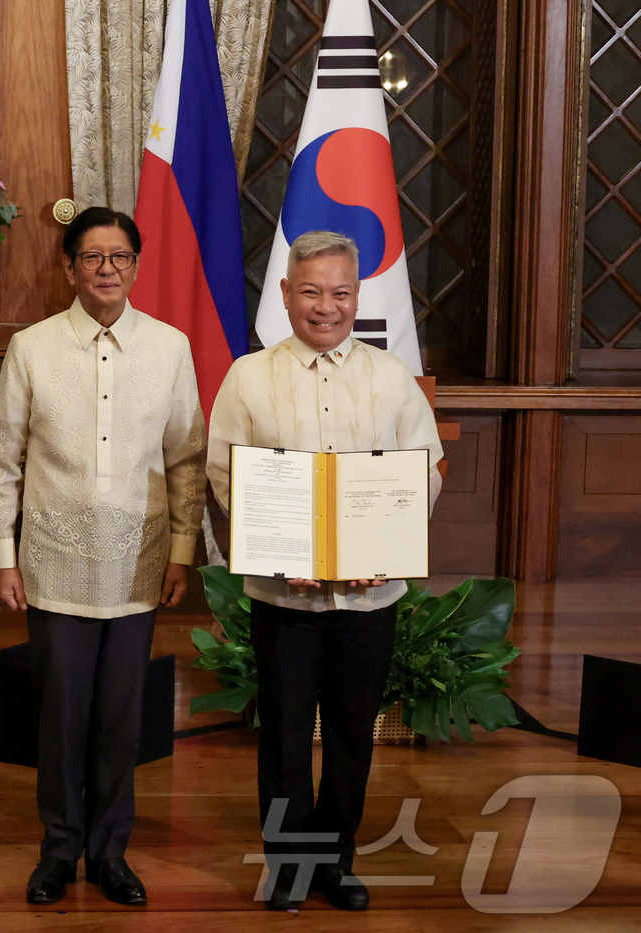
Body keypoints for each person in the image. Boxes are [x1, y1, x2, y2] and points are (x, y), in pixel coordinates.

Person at [206, 230, 444, 912]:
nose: (326, 306)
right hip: (284, 598)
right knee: (284, 736)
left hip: (370, 600)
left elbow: (424, 470)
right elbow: (225, 472)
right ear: (285, 294)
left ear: (357, 295)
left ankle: (334, 861)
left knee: (350, 735)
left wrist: (382, 547)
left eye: (340, 292)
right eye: (310, 291)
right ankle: (289, 865)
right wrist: (280, 547)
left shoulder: (391, 377)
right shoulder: (249, 376)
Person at [0, 207, 207, 907]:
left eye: (119, 256)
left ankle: (110, 852)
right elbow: (0, 459)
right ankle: (59, 848)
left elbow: (187, 460)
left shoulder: (169, 347)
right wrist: (3, 556)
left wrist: (181, 551)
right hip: (53, 560)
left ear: (136, 264)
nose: (107, 269)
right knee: (61, 714)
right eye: (92, 257)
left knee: (120, 718)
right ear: (69, 267)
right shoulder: (33, 348)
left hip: (138, 563)